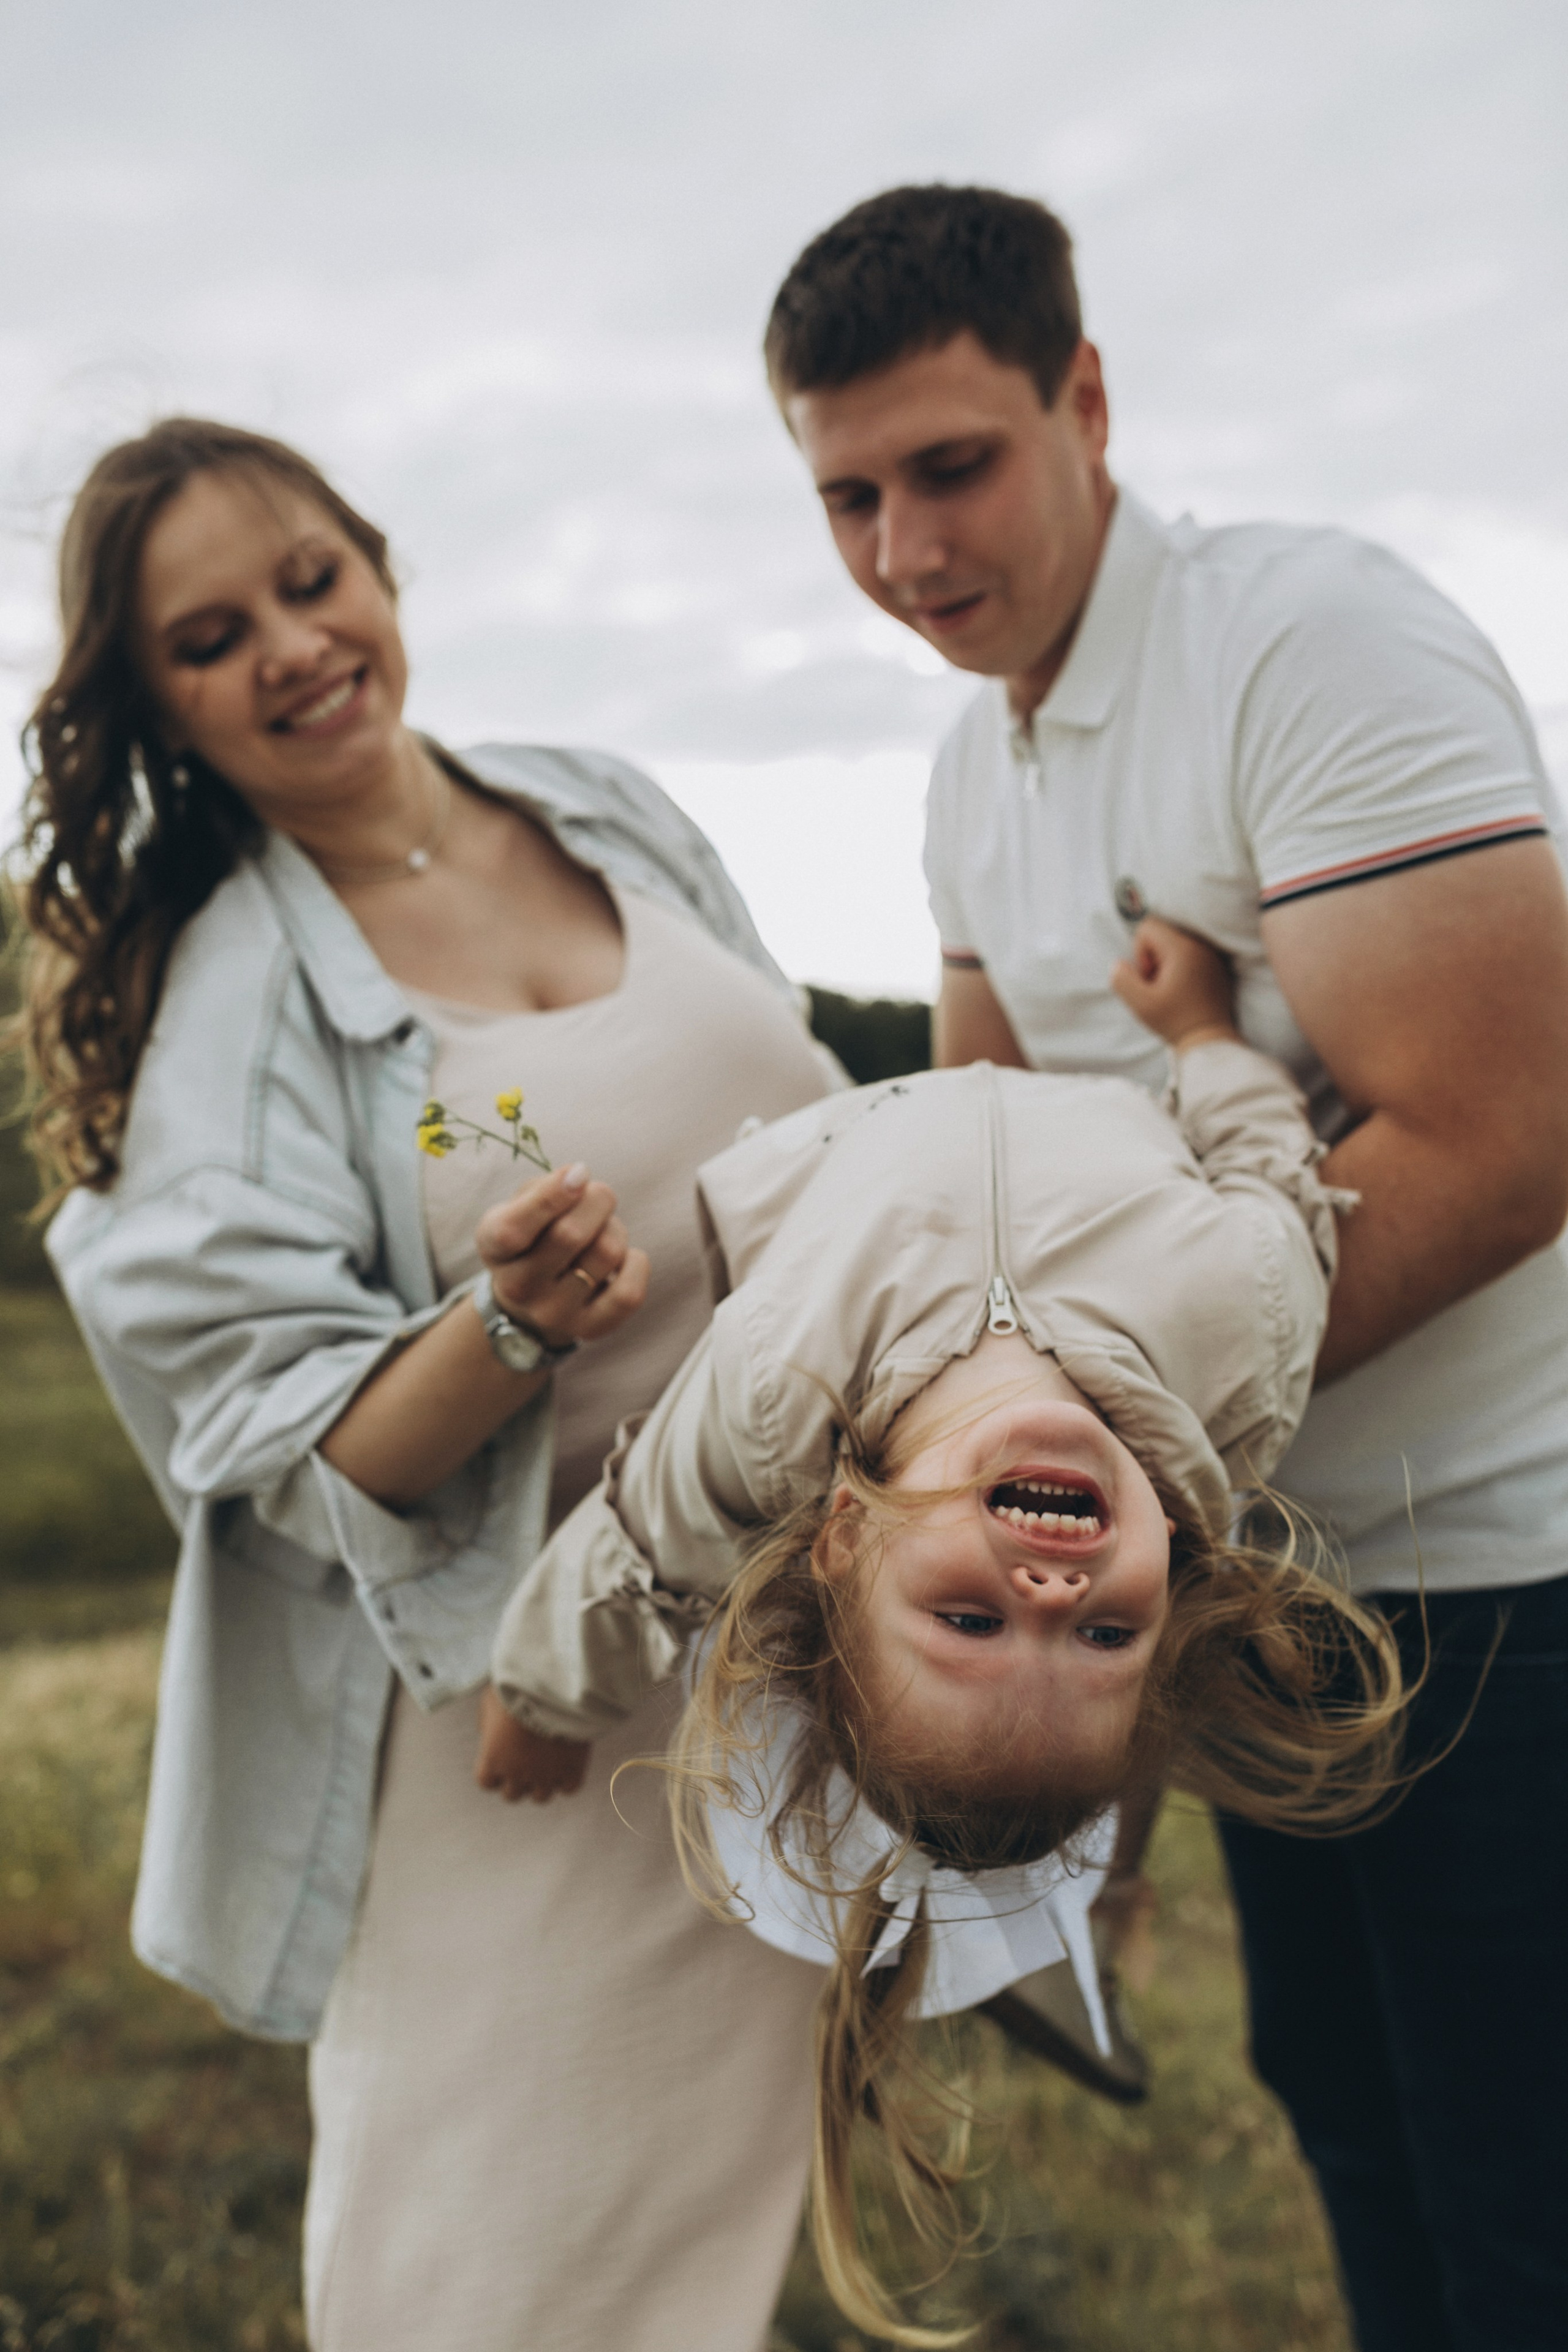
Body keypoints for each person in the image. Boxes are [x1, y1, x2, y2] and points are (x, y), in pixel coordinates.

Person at [761, 183, 1568, 2351]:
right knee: (1352, 2111)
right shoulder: (969, 762)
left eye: (953, 468)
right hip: (1254, 1575)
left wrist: (1117, 1440)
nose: (905, 553)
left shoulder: (1312, 644)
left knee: (1526, 2166)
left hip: (1507, 1561)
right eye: (847, 497)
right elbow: (979, 1170)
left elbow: (1503, 1149)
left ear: (1089, 401)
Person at [9, 416, 842, 2352]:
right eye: (213, 639)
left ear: (378, 564)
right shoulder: (234, 1003)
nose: (293, 648)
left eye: (311, 581)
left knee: (706, 2250)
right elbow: (291, 1444)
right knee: (486, 2273)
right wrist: (506, 1326)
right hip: (522, 1741)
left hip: (772, 1667)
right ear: (159, 705)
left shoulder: (603, 808)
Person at [482, 915, 1405, 2345]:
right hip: (1095, 1091)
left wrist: (540, 1694)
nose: (1049, 1600)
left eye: (966, 1618)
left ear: (844, 1542)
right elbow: (1270, 1173)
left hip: (849, 1140)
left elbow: (637, 1546)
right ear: (1170, 1579)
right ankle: (1080, 1902)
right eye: (1106, 1640)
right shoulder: (1241, 1346)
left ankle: (1028, 1924)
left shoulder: (773, 1395)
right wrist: (1204, 1036)